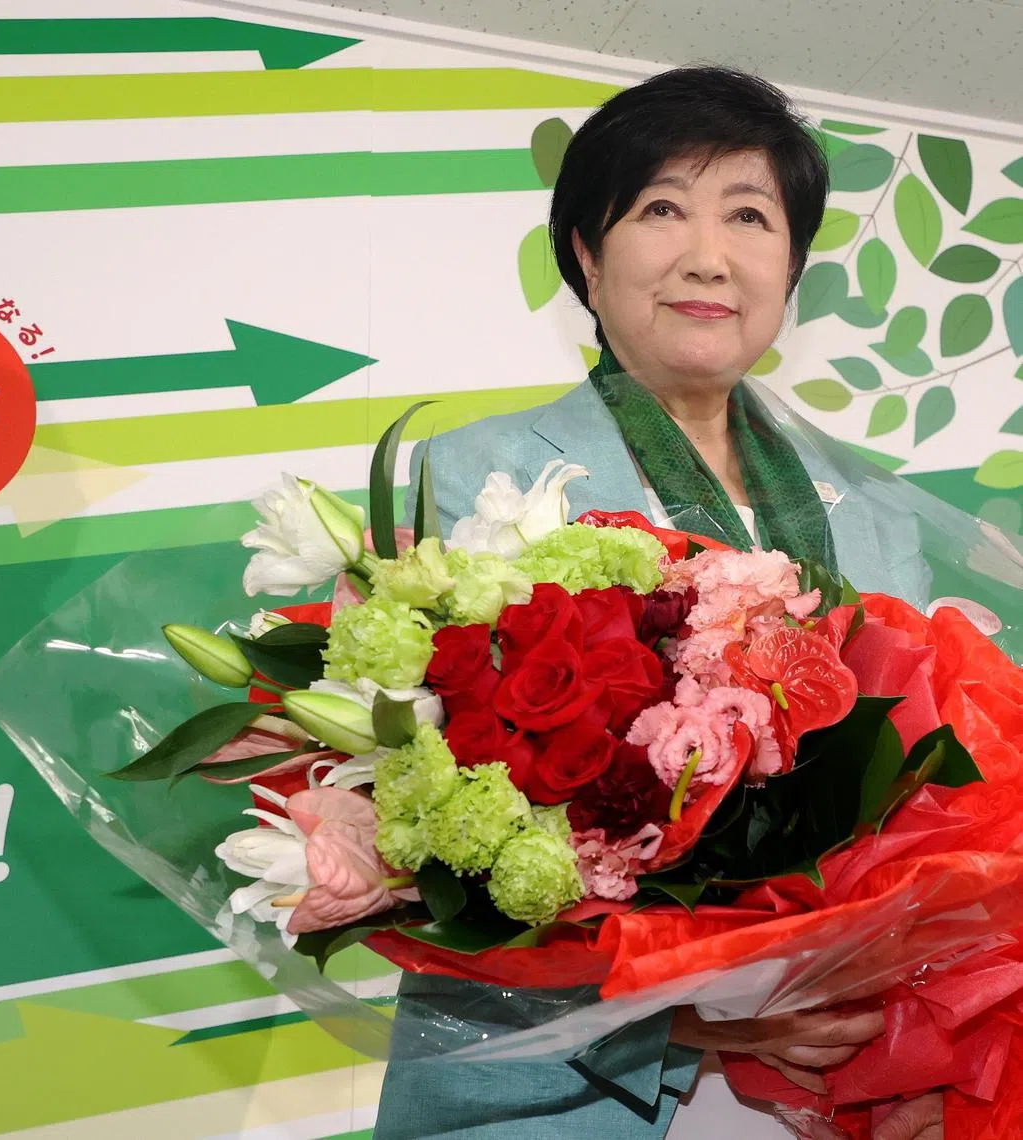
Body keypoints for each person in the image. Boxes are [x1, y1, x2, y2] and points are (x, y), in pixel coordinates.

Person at [373, 67, 943, 1140]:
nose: (706, 256)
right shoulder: (463, 484)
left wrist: (922, 1037)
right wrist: (677, 1016)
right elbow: (402, 832)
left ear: (792, 266)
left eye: (748, 216)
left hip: (834, 1080)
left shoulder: (882, 523)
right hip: (570, 1085)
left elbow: (937, 822)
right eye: (662, 209)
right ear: (588, 253)